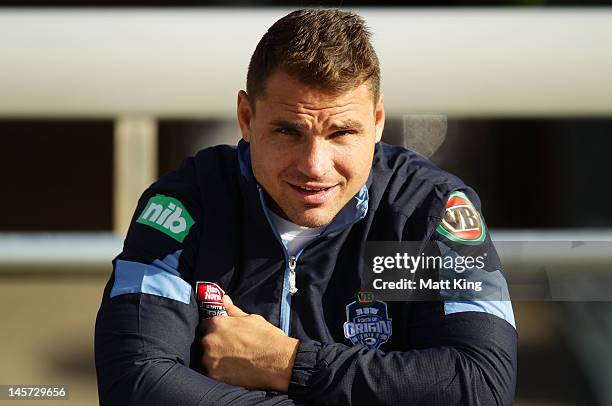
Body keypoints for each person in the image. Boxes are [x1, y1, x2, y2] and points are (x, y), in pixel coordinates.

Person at [95, 8, 517, 406]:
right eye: (288, 131)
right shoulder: (187, 206)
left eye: (341, 133)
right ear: (246, 117)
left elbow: (480, 384)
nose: (314, 166)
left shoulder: (427, 211)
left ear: (378, 121)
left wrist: (286, 362)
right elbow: (134, 384)